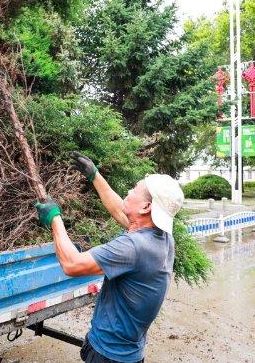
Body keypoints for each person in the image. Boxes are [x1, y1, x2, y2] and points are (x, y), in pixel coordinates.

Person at [35, 152, 184, 363]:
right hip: (127, 353)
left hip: (109, 356)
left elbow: (72, 264)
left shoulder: (134, 247)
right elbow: (120, 212)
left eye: (135, 190)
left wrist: (54, 219)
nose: (129, 191)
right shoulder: (161, 238)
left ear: (146, 207)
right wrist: (94, 175)